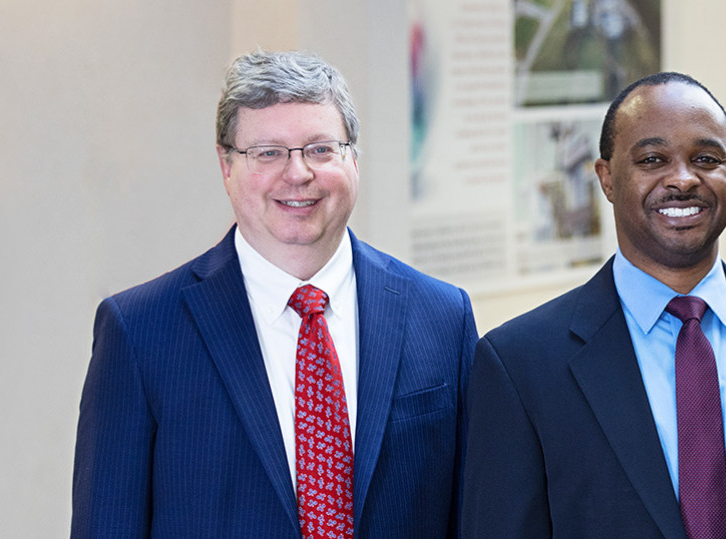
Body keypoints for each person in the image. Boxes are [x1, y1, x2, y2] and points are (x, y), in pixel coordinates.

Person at [72, 50, 478, 538]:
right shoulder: (139, 332)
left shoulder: (442, 317)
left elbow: (472, 516)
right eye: (267, 152)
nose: (298, 173)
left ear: (354, 158)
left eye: (321, 149)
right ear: (226, 166)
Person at [460, 72, 726, 538]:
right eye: (653, 159)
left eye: (706, 159)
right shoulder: (518, 366)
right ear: (606, 178)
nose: (684, 179)